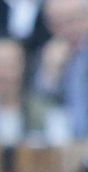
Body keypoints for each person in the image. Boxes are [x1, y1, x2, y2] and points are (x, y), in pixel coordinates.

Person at [34, 0, 88, 139]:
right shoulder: (51, 53)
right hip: (70, 142)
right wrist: (51, 72)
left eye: (72, 20)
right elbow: (40, 105)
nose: (67, 29)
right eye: (58, 24)